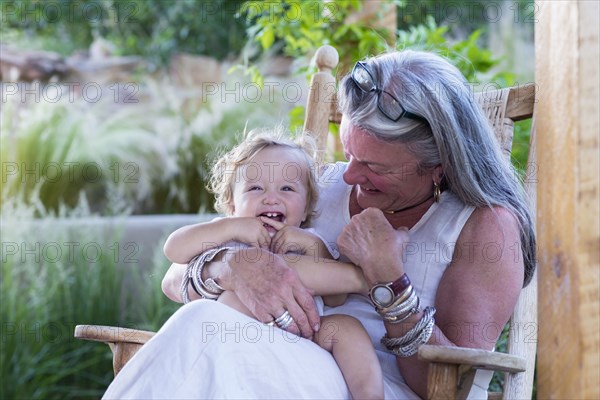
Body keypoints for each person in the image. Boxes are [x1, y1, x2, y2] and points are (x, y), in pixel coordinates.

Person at [104, 49, 536, 399]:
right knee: (202, 326)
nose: (347, 175)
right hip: (272, 358)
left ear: (438, 164)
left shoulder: (485, 228)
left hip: (373, 387)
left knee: (204, 335)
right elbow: (174, 278)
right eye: (348, 154)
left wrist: (389, 280)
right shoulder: (313, 186)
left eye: (371, 165)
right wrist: (230, 266)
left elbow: (452, 385)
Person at [161, 128, 383, 399]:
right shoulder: (225, 232)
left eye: (287, 188)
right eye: (255, 188)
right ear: (231, 204)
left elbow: (336, 299)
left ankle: (370, 395)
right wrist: (228, 229)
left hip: (307, 332)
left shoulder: (311, 239)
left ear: (306, 208)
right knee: (235, 299)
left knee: (348, 328)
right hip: (241, 333)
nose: (271, 198)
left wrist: (314, 248)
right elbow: (173, 249)